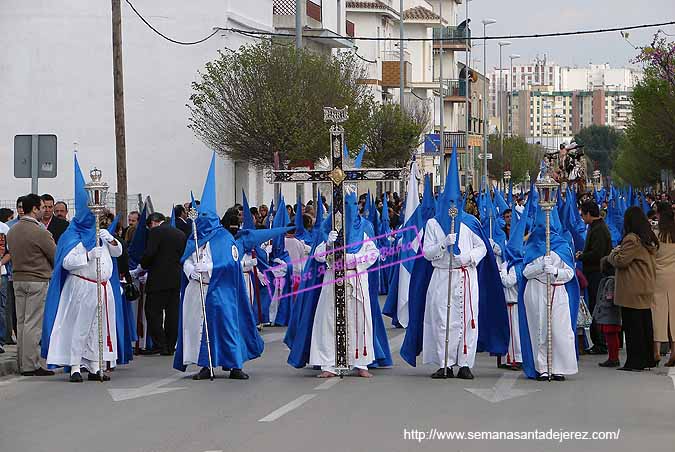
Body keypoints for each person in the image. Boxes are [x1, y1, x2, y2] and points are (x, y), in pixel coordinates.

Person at [175, 155, 287, 380]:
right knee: (198, 329)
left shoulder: (224, 238)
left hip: (222, 290)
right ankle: (205, 365)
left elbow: (231, 261)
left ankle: (235, 365)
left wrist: (209, 266)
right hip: (198, 289)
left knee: (227, 327)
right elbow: (186, 258)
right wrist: (190, 269)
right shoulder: (195, 237)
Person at [400, 149, 509, 380]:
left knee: (468, 319)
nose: (452, 205)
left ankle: (465, 363)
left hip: (465, 276)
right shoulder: (432, 225)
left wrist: (468, 258)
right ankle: (444, 363)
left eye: (455, 201)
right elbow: (426, 254)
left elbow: (482, 249)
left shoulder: (471, 222)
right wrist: (442, 244)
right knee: (442, 320)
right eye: (448, 201)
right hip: (441, 276)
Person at [41, 159, 124, 382]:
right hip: (81, 287)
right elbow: (66, 262)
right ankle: (76, 365)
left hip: (102, 287)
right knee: (79, 327)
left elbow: (117, 254)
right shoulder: (72, 235)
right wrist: (88, 255)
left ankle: (96, 365)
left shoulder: (100, 232)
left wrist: (112, 241)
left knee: (97, 328)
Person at [521, 207, 579, 381]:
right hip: (536, 290)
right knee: (539, 328)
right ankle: (542, 367)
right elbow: (525, 272)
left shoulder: (563, 246)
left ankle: (558, 367)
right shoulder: (530, 245)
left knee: (559, 330)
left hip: (557, 290)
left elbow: (569, 273)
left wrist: (555, 271)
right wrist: (539, 267)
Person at [6, 193, 56, 376]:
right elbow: (54, 255)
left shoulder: (12, 230)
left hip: (18, 279)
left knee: (21, 322)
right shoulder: (40, 231)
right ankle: (31, 364)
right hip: (37, 280)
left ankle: (22, 362)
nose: (44, 210)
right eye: (42, 207)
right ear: (34, 209)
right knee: (33, 324)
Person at [606, 206, 658, 372]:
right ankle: (648, 358)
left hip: (632, 288)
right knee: (645, 325)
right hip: (645, 285)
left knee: (633, 326)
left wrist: (613, 254)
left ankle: (635, 361)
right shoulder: (647, 237)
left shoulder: (631, 239)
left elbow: (621, 260)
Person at [139, 212, 186, 355]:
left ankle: (160, 344)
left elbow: (150, 253)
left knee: (153, 312)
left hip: (158, 279)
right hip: (175, 278)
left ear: (153, 222)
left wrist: (143, 265)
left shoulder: (156, 232)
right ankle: (171, 345)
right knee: (172, 313)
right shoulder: (180, 234)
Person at [576, 201, 612, 355]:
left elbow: (597, 253)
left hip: (597, 272)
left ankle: (601, 343)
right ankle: (599, 342)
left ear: (589, 214)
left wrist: (582, 256)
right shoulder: (595, 227)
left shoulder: (599, 229)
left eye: (583, 214)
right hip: (593, 271)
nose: (582, 218)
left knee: (598, 307)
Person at [652, 202, 675, 366]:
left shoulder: (656, 234)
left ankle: (656, 350)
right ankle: (674, 351)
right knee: (673, 313)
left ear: (659, 215)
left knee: (657, 312)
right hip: (673, 276)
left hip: (658, 276)